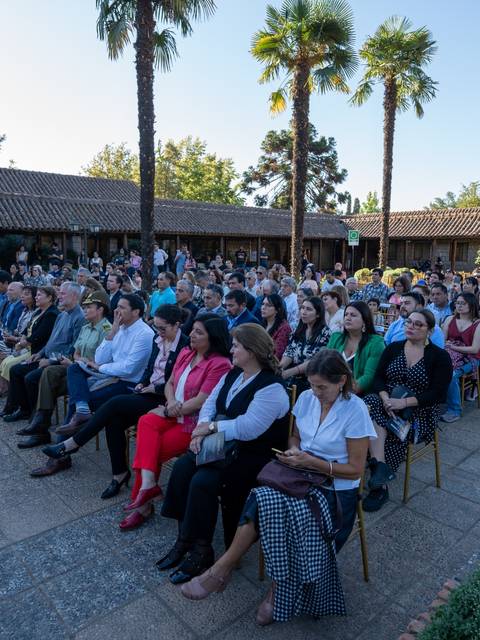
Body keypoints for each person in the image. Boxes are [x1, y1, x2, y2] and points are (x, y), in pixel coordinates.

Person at [179, 349, 375, 626]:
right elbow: (294, 437)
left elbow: (355, 470)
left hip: (334, 490)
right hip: (300, 477)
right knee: (260, 497)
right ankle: (228, 570)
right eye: (312, 385)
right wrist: (295, 453)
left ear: (341, 380)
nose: (316, 392)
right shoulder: (307, 398)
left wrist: (313, 462)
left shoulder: (355, 409)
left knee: (287, 515)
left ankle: (267, 586)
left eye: (322, 387)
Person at [159, 324, 290, 584]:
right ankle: (187, 539)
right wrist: (200, 431)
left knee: (202, 481)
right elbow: (210, 405)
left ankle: (203, 549)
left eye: (237, 346)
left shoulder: (272, 387)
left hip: (252, 455)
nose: (231, 349)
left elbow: (249, 428)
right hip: (223, 446)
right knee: (184, 467)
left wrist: (211, 428)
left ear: (251, 351)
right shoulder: (234, 374)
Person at [40, 304, 190, 481]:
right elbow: (149, 369)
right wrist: (143, 383)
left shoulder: (181, 344)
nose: (158, 331)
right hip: (140, 388)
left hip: (161, 396)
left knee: (112, 403)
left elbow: (178, 380)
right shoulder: (154, 337)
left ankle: (71, 444)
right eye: (156, 326)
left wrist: (152, 387)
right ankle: (119, 474)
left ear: (176, 325)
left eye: (162, 328)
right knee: (112, 421)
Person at [115, 314, 232, 530]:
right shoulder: (187, 353)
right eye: (193, 329)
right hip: (173, 411)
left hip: (193, 423)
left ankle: (142, 505)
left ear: (212, 337)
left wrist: (169, 412)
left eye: (199, 332)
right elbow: (169, 383)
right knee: (146, 422)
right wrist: (170, 404)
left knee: (149, 452)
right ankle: (149, 486)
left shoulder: (220, 364)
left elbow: (201, 402)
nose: (192, 335)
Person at [362, 310, 452, 512]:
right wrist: (386, 399)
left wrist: (403, 403)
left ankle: (379, 479)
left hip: (419, 412)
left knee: (390, 428)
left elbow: (438, 394)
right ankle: (381, 474)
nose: (411, 326)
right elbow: (378, 379)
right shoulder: (393, 348)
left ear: (429, 330)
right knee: (370, 401)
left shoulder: (440, 357)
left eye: (418, 324)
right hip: (387, 404)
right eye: (409, 322)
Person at [20, 290, 112, 452]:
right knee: (48, 373)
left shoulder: (106, 330)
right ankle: (42, 423)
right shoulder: (86, 327)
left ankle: (44, 427)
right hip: (76, 368)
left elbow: (102, 361)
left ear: (100, 310)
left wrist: (79, 362)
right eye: (84, 307)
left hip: (92, 375)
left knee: (48, 376)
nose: (84, 310)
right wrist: (77, 361)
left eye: (89, 307)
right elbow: (76, 352)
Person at [56, 293, 154, 436]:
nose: (116, 311)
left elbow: (128, 369)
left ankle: (64, 448)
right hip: (109, 375)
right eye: (117, 307)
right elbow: (100, 358)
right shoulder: (119, 328)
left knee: (79, 399)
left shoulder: (144, 334)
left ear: (136, 312)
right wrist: (113, 331)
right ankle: (78, 419)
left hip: (127, 383)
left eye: (122, 308)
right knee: (75, 369)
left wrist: (100, 367)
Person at [5, 283, 84, 430]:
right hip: (46, 356)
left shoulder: (79, 317)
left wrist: (50, 360)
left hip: (60, 362)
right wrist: (39, 354)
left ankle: (38, 418)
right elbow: (51, 341)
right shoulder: (62, 315)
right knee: (16, 370)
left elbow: (73, 348)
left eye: (62, 293)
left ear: (74, 296)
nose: (59, 296)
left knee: (31, 378)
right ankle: (25, 410)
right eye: (59, 293)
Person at [440, 293, 480, 423]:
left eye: (463, 303)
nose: (460, 306)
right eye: (458, 303)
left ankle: (454, 410)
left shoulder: (477, 324)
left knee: (450, 374)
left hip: (471, 358)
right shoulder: (450, 319)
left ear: (472, 304)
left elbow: (474, 349)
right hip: (449, 354)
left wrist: (454, 348)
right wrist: (449, 347)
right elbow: (443, 340)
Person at [279, 297, 331, 393]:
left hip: (311, 381)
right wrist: (279, 368)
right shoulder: (298, 330)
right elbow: (290, 352)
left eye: (309, 309)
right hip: (293, 377)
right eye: (302, 308)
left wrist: (289, 372)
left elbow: (315, 361)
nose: (303, 312)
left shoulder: (325, 333)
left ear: (318, 314)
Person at [260, 293, 291, 359]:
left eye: (268, 305)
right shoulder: (263, 324)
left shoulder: (284, 328)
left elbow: (277, 354)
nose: (263, 307)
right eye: (263, 304)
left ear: (277, 309)